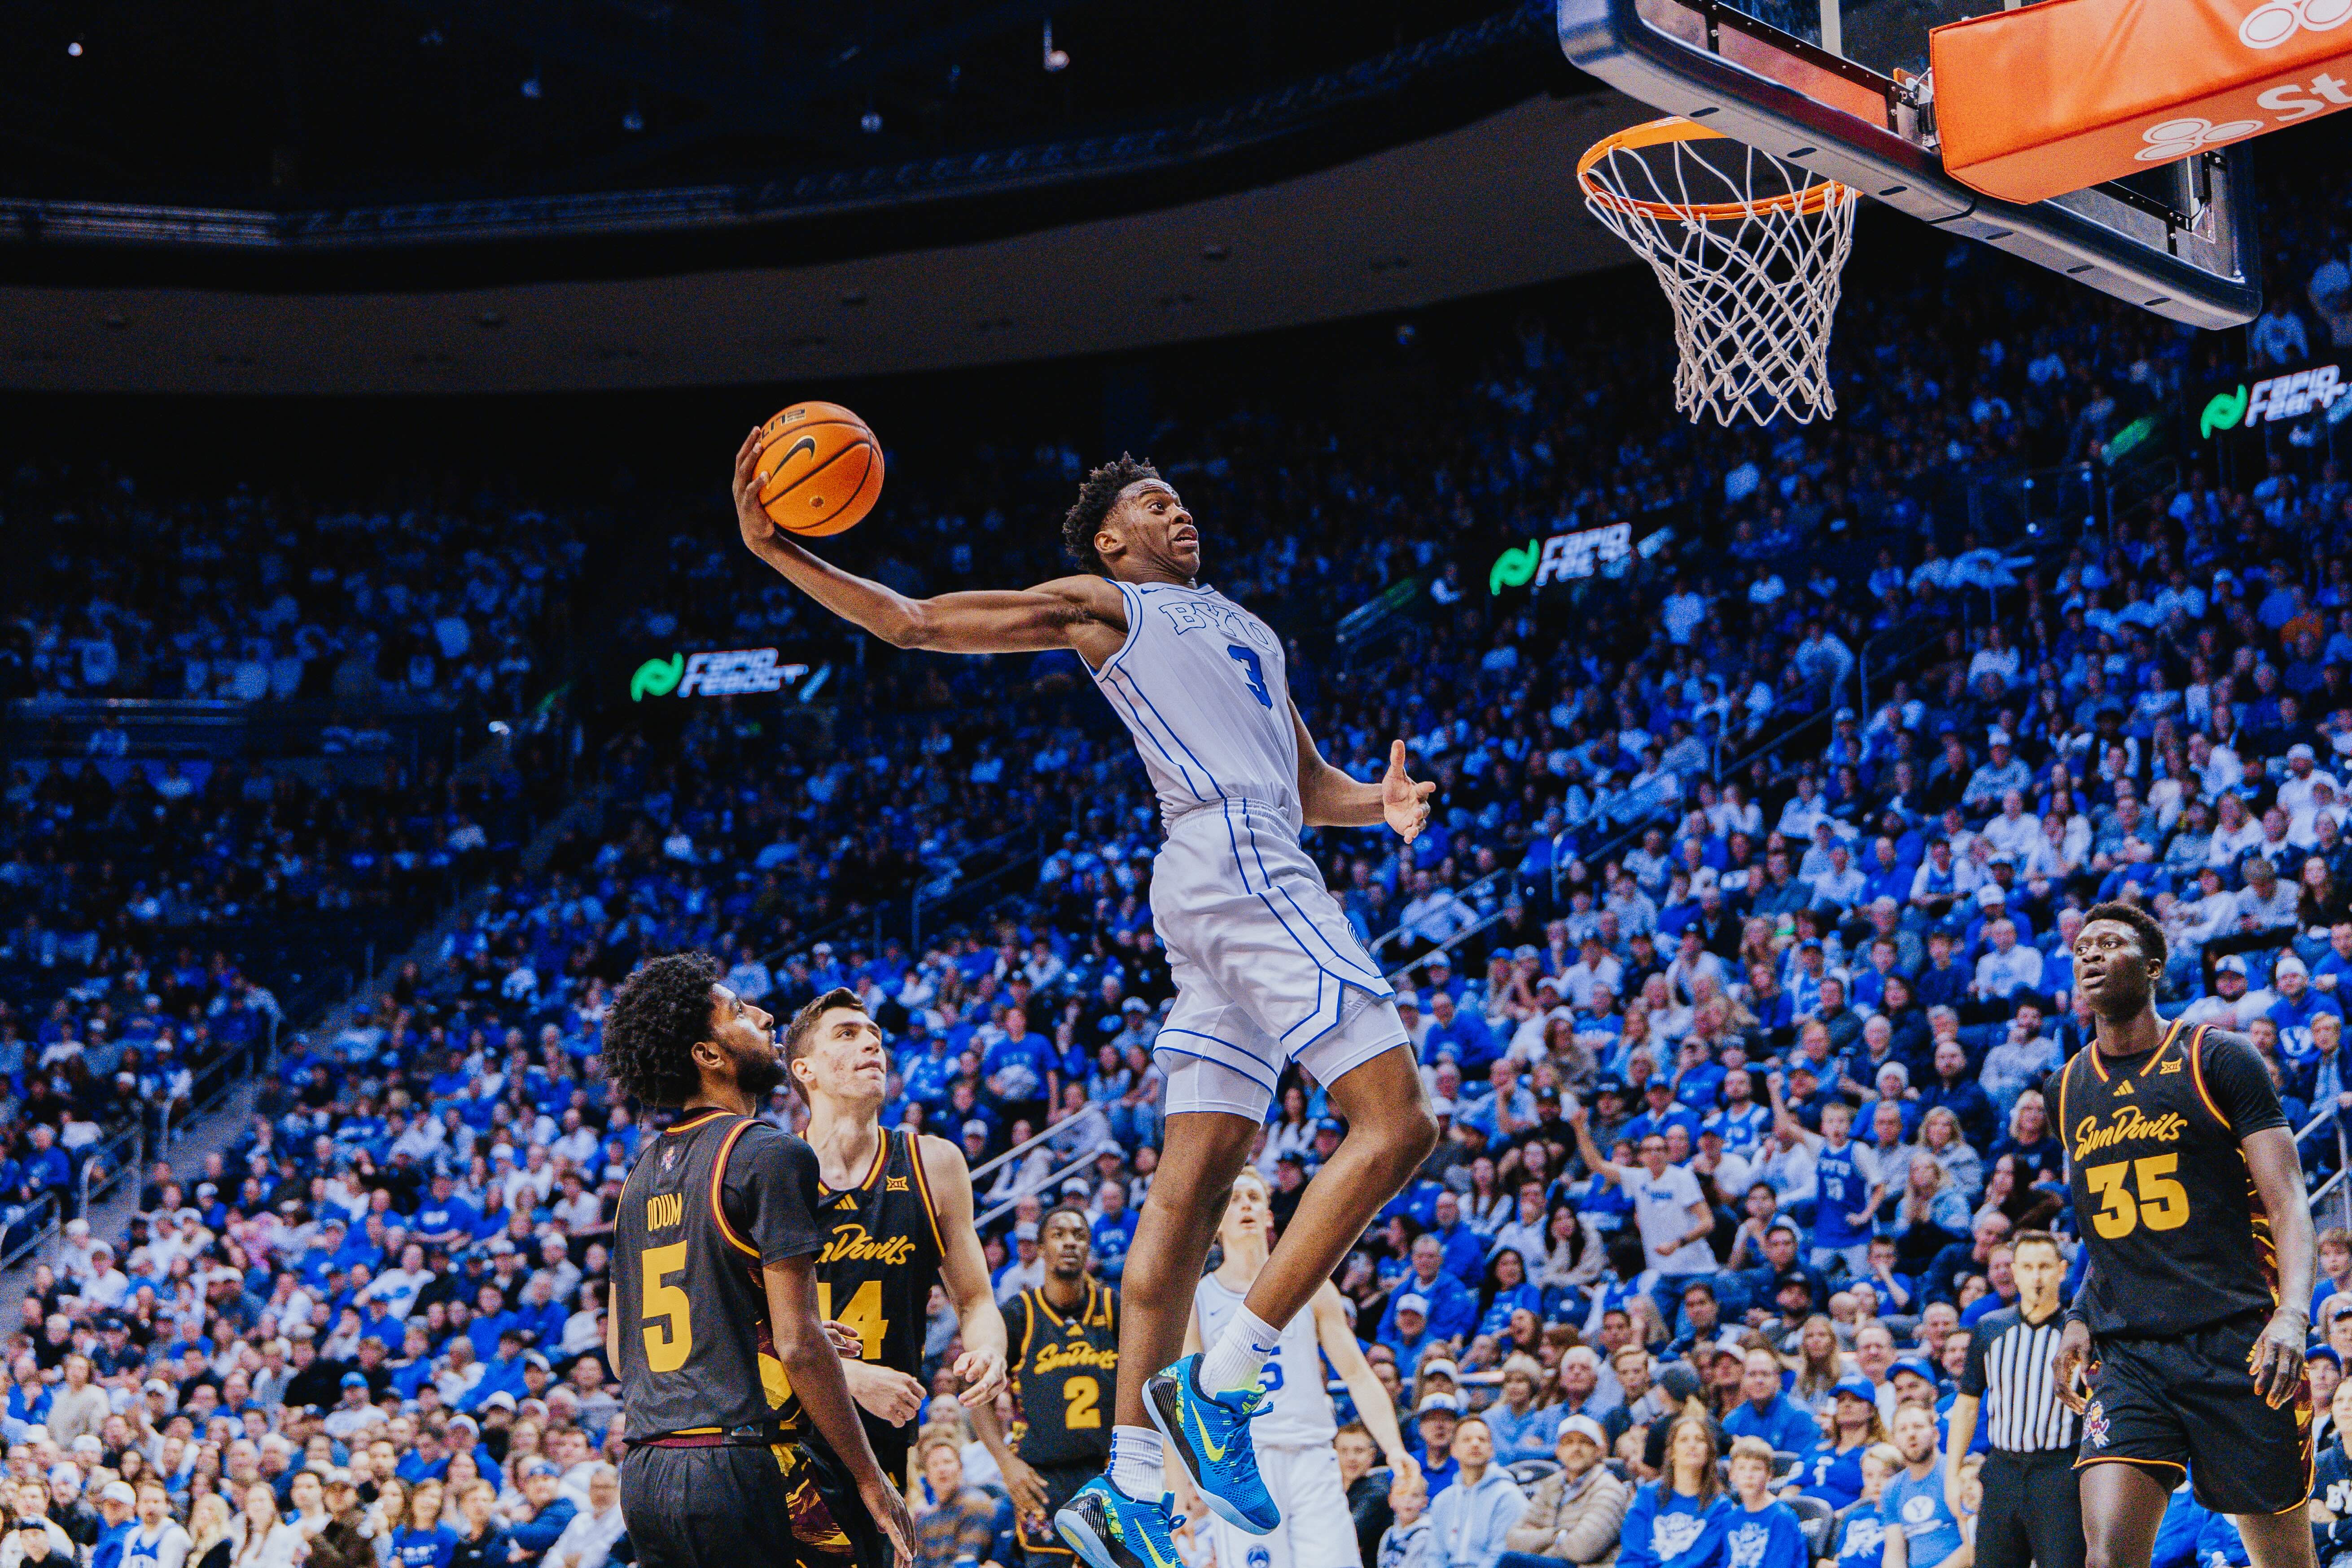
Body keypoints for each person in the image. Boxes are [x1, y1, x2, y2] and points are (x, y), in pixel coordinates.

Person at [736, 442, 1442, 1568]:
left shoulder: (1248, 627)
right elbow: (912, 621)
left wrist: (1379, 801)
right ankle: (1225, 1378)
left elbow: (1308, 787)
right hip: (1235, 862)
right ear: (1113, 540)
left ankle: (1125, 1485)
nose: (1181, 511)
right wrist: (780, 547)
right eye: (1156, 503)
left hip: (1233, 871)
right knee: (1401, 1120)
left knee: (1195, 1187)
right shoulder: (1106, 605)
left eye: (1181, 497)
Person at [600, 953, 914, 1568]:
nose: (766, 1015)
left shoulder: (637, 1179)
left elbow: (620, 1351)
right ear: (708, 1055)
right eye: (740, 1011)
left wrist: (764, 1334)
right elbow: (800, 1348)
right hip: (738, 1468)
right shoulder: (769, 1154)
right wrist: (871, 1476)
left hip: (645, 1475)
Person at [2049, 903, 2318, 1568]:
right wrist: (2081, 1311)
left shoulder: (2218, 1056)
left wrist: (2292, 1313)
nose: (2089, 954)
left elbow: (2288, 1204)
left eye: (2110, 942)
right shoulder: (2068, 1086)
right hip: (2132, 1352)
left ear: (2153, 966)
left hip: (2239, 1341)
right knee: (2108, 1555)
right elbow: (2108, 1232)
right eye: (2082, 945)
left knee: (2283, 1561)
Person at [784, 987, 1009, 1492]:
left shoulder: (935, 1163)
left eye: (875, 1036)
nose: (871, 1045)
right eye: (847, 1034)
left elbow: (975, 1300)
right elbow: (740, 1328)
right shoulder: (772, 1170)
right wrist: (847, 1376)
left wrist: (989, 1349)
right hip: (785, 1444)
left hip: (887, 1442)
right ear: (805, 1069)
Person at [1173, 1169, 1423, 1568]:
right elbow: (1184, 1399)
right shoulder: (1198, 1301)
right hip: (1243, 1465)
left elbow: (1358, 1374)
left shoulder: (1313, 1286)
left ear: (1270, 1216)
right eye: (1234, 1199)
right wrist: (1178, 1486)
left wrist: (1394, 1449)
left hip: (1312, 1454)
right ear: (1217, 1221)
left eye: (1254, 1197)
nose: (1246, 1206)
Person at [971, 1205, 1118, 1564]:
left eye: (1079, 1235)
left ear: (1089, 1248)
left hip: (1109, 1474)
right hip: (1042, 1478)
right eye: (1059, 1234)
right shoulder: (1018, 1315)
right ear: (1039, 1248)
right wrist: (1006, 1463)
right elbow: (976, 1397)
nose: (1070, 1242)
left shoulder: (1115, 1308)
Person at [1940, 1229, 2081, 1568]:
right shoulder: (1989, 1329)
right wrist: (1952, 1474)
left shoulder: (2078, 1332)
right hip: (2002, 1469)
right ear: (2014, 1272)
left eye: (2045, 1267)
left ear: (2062, 1271)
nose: (2036, 1276)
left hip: (2060, 1471)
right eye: (2028, 1266)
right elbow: (1967, 1403)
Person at [1495, 1415, 1630, 1567]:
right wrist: (1558, 1535)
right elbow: (1513, 1539)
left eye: (1584, 1442)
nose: (1576, 1449)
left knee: (1512, 1562)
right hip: (1551, 1563)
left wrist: (1538, 1546)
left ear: (1599, 1450)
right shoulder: (1551, 1484)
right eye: (1568, 1442)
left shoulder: (1610, 1489)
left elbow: (1582, 1549)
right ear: (1558, 1451)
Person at [1617, 1412, 1734, 1568]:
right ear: (1672, 1453)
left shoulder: (1721, 1507)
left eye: (1699, 1440)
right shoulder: (1647, 1496)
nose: (1692, 1445)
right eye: (1684, 1440)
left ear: (1709, 1453)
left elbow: (1698, 1562)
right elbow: (1632, 1557)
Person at [1423, 1417, 1525, 1568]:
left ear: (1491, 1450)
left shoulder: (1509, 1496)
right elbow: (1434, 1556)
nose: (1475, 1444)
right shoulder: (1442, 1500)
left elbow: (1501, 1555)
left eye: (1482, 1440)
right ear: (1454, 1450)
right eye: (1467, 1440)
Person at [1879, 1404, 1968, 1568]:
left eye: (1918, 1427)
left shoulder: (1958, 1474)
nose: (1911, 1434)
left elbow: (1975, 1545)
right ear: (1894, 1442)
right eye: (1903, 1430)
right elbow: (1894, 1552)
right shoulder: (1892, 1489)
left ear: (1936, 1435)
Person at [912, 1437, 1001, 1568]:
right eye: (935, 1464)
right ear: (928, 1478)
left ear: (961, 1469)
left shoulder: (976, 1505)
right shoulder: (923, 1520)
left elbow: (967, 1561)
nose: (942, 1469)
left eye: (947, 1462)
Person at [1722, 1437, 1809, 1568]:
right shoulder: (1730, 1518)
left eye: (1756, 1469)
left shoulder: (1782, 1517)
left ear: (1769, 1475)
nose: (1749, 1475)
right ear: (1732, 1475)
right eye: (1742, 1468)